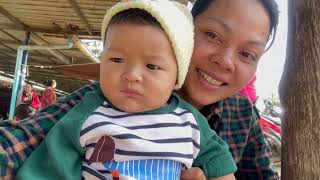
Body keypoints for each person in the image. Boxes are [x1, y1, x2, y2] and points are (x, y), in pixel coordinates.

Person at [0, 0, 280, 179]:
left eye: (247, 54)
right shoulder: (97, 102)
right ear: (182, 33)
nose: (226, 60)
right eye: (212, 35)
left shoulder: (243, 116)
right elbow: (16, 144)